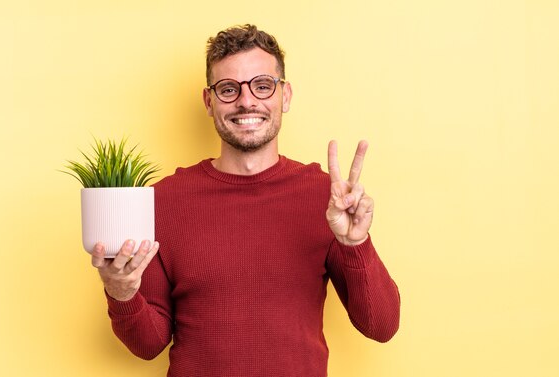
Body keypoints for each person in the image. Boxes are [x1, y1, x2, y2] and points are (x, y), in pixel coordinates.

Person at [90, 24, 400, 377]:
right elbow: (149, 345)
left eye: (263, 86)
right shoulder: (163, 200)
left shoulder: (326, 198)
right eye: (228, 89)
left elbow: (382, 326)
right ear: (209, 102)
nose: (247, 101)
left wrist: (355, 243)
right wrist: (121, 293)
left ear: (285, 95)